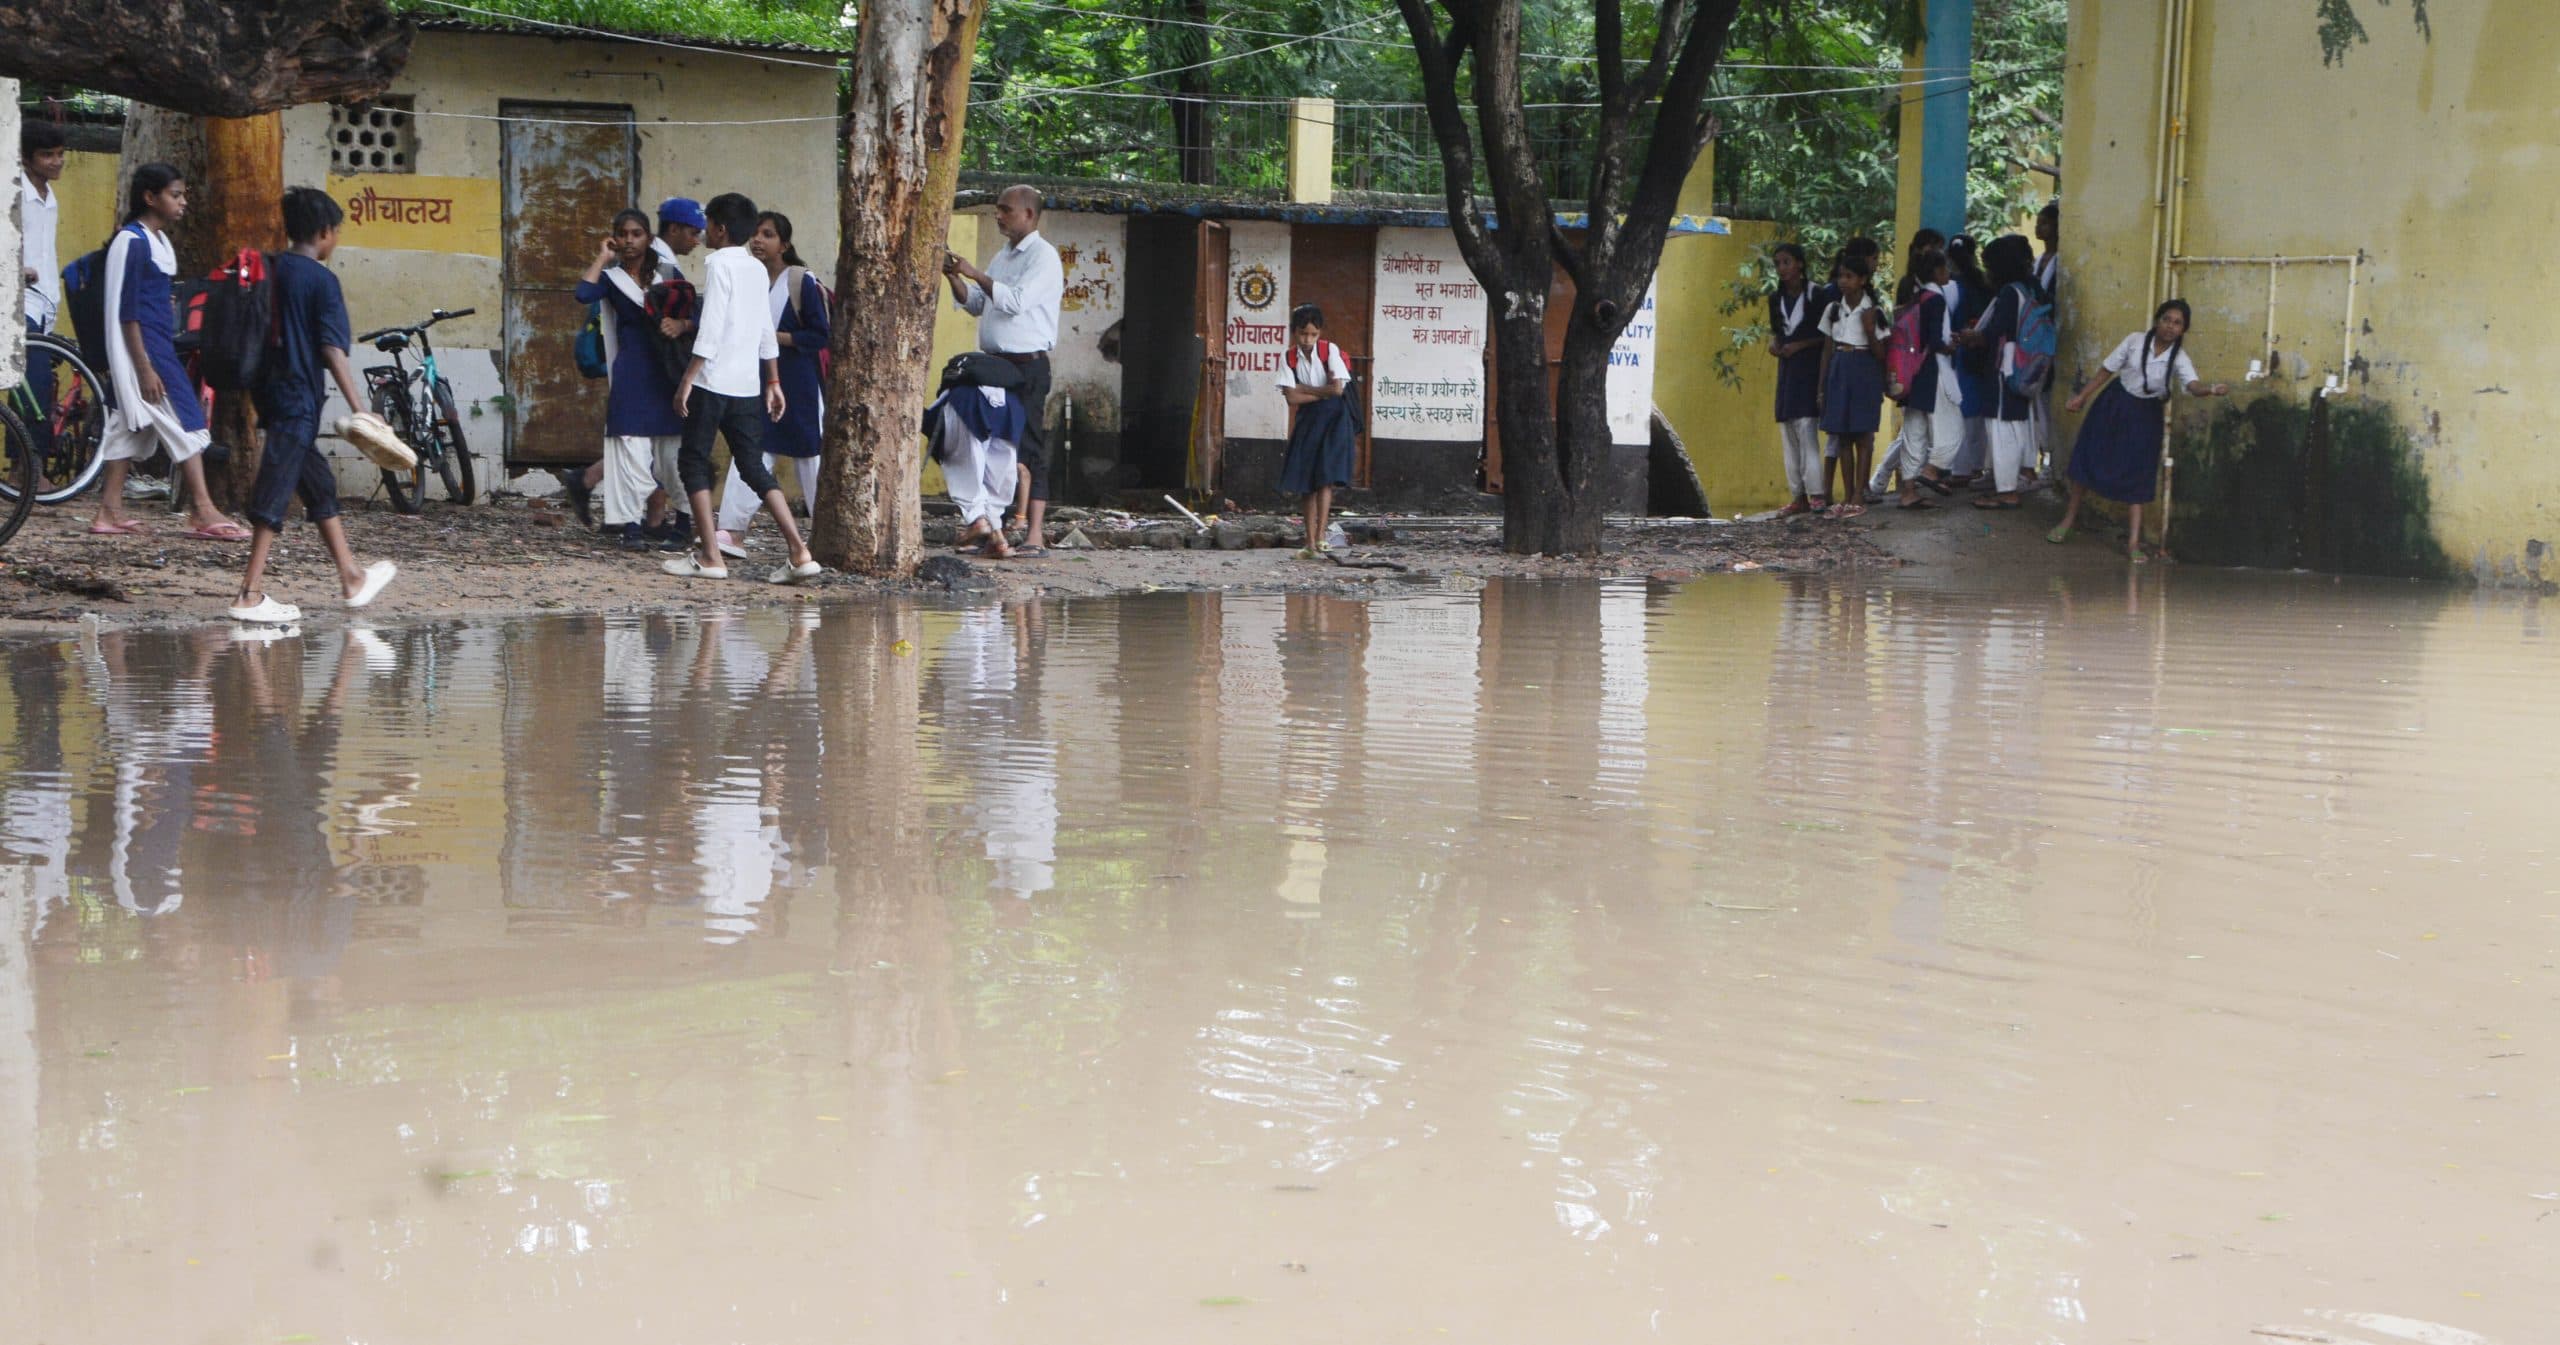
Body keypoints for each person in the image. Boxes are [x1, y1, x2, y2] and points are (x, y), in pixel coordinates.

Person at [229, 186, 397, 624]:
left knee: (317, 484)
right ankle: (249, 594)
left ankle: (351, 577)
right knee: (275, 489)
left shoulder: (269, 267)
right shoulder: (322, 281)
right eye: (336, 232)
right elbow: (332, 350)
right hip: (298, 395)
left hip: (265, 390)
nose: (335, 240)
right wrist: (362, 409)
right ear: (325, 232)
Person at [664, 191, 821, 585]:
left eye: (708, 227)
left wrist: (688, 378)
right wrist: (772, 379)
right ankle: (800, 552)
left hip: (712, 381)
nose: (705, 235)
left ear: (718, 229)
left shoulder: (719, 265)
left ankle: (711, 555)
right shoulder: (756, 269)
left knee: (693, 462)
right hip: (748, 386)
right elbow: (765, 330)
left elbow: (712, 326)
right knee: (752, 466)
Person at [89, 163, 247, 541]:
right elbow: (127, 313)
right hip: (147, 353)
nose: (183, 202)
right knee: (188, 422)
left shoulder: (159, 243)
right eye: (175, 194)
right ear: (150, 197)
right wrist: (142, 368)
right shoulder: (132, 241)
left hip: (156, 345)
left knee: (124, 429)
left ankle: (108, 512)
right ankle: (203, 510)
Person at [2050, 298, 2230, 562]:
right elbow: (2106, 371)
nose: (2170, 326)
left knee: (2140, 471)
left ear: (2183, 330)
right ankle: (2068, 521)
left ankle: (2134, 542)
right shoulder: (2134, 341)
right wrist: (2082, 397)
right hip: (2114, 404)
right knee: (2088, 457)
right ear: (2157, 320)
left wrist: (2211, 390)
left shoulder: (2178, 358)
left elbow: (2192, 385)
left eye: (2177, 323)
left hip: (2146, 416)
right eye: (2166, 319)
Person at [943, 185, 1062, 555]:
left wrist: (973, 271)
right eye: (997, 209)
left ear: (1029, 214)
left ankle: (1034, 534)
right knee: (993, 444)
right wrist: (953, 277)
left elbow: (1015, 302)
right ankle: (994, 529)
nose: (998, 216)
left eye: (1005, 210)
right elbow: (979, 304)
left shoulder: (1043, 257)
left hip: (1027, 366)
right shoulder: (1005, 255)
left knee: (1028, 446)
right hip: (997, 367)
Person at [574, 209, 690, 551]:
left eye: (636, 233)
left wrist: (681, 326)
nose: (629, 240)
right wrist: (602, 257)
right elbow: (583, 293)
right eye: (622, 234)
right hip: (631, 372)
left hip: (667, 371)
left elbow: (694, 313)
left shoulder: (667, 273)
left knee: (672, 454)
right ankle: (632, 528)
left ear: (649, 238)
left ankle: (683, 525)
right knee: (629, 450)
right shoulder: (612, 279)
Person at [714, 211, 827, 558]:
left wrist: (774, 337)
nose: (758, 240)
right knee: (750, 451)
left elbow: (820, 334)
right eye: (756, 234)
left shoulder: (801, 282)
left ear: (785, 244)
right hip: (756, 380)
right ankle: (732, 530)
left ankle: (826, 530)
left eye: (768, 234)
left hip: (800, 383)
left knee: (811, 456)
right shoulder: (748, 277)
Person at [1952, 233, 2042, 510]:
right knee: (2017, 424)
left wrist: (1969, 337)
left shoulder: (2009, 293)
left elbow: (1994, 332)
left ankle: (2006, 490)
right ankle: (2017, 478)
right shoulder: (2031, 288)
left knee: (2002, 427)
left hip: (2005, 364)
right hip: (2024, 365)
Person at [1275, 304, 1357, 558]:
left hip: (1335, 420)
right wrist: (1320, 392)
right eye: (1302, 334)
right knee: (1306, 482)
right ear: (1294, 332)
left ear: (1319, 332)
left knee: (1326, 478)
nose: (1307, 340)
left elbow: (1338, 390)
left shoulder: (1329, 350)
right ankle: (1309, 542)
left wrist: (1304, 388)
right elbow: (1291, 399)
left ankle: (1321, 538)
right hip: (1309, 420)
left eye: (1312, 334)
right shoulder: (1288, 357)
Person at [927, 353, 1028, 560]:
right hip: (1010, 407)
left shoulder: (954, 393)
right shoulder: (1001, 386)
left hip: (968, 404)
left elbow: (956, 456)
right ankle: (998, 539)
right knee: (998, 475)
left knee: (963, 467)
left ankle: (978, 521)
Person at [1885, 246, 1960, 509]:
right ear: (1938, 271)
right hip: (1933, 370)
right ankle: (1932, 470)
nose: (1948, 272)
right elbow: (1935, 340)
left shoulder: (1915, 297)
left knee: (1913, 432)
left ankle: (1908, 491)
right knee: (1952, 427)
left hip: (1911, 372)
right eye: (1945, 268)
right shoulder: (1936, 299)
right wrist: (1951, 345)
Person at [1814, 253, 1888, 519]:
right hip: (1839, 367)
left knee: (1863, 434)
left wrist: (1869, 330)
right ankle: (1846, 495)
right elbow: (1826, 351)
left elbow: (1882, 352)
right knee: (1842, 433)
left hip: (1864, 368)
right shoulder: (1833, 310)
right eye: (1841, 276)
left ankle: (1859, 493)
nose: (1843, 282)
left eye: (1849, 276)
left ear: (1862, 280)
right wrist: (1821, 388)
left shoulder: (1874, 312)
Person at [18, 121, 65, 487]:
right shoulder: (12, 190)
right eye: (47, 155)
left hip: (45, 301)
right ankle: (28, 470)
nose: (56, 162)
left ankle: (24, 470)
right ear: (26, 158)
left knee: (38, 385)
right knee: (32, 384)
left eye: (60, 154)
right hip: (19, 301)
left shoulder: (49, 197)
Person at [1766, 243, 1825, 516]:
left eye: (1787, 262)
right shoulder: (1774, 299)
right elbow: (1777, 332)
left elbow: (1827, 337)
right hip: (1787, 373)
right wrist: (1775, 344)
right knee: (1788, 433)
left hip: (1809, 370)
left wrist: (1799, 346)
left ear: (1800, 264)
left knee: (1806, 431)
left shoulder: (1817, 296)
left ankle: (1816, 495)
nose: (1782, 269)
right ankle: (1797, 495)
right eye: (1778, 264)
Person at [1942, 234, 1995, 483]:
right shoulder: (1986, 284)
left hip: (1959, 354)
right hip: (1983, 352)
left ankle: (1960, 469)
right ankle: (1977, 466)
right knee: (1977, 411)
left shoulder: (1951, 287)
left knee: (1959, 411)